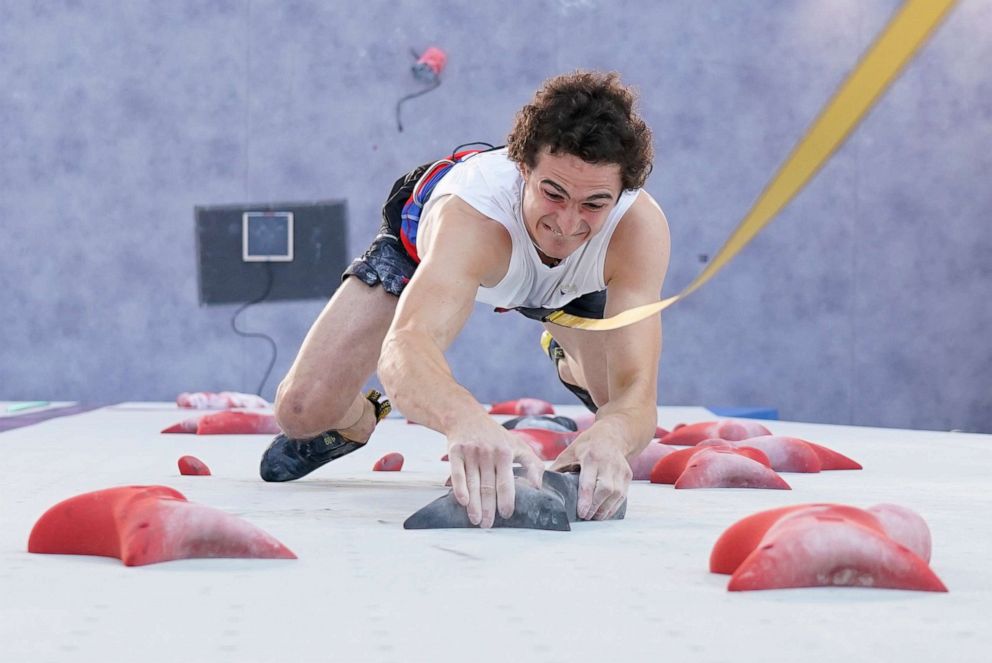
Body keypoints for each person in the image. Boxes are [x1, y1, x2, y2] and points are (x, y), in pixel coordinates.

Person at [260, 70, 671, 529]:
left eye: (594, 203)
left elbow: (640, 395)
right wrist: (465, 420)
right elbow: (407, 346)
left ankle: (567, 355)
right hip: (425, 258)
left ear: (622, 194)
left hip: (566, 287)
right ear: (522, 169)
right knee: (300, 411)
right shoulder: (472, 216)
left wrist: (613, 435)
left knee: (615, 406)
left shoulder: (638, 229)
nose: (568, 222)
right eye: (552, 193)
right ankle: (357, 420)